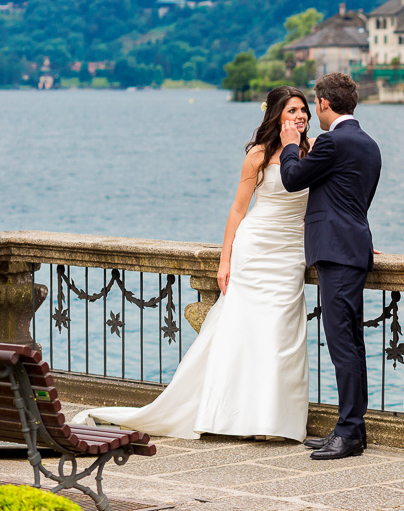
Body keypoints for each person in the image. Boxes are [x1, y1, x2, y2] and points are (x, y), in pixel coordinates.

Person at [72, 86, 314, 441]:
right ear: (277, 115)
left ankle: (274, 421)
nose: (300, 116)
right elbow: (238, 209)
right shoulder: (258, 156)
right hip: (256, 248)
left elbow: (331, 203)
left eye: (304, 110)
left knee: (282, 335)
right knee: (245, 334)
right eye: (293, 110)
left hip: (291, 251)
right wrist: (225, 259)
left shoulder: (314, 153)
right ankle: (234, 418)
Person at [279, 73, 381, 460]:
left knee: (343, 344)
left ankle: (350, 432)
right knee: (351, 342)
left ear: (323, 103)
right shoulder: (369, 143)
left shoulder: (332, 141)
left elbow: (292, 179)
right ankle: (351, 428)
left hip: (337, 252)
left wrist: (290, 145)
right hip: (354, 248)